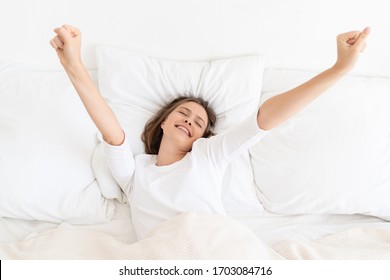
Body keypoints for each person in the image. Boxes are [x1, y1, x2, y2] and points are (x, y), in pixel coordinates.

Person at [50, 25, 370, 240]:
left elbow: (264, 119)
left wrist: (338, 69)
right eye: (183, 113)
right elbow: (111, 132)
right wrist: (73, 65)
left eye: (198, 123)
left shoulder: (207, 156)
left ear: (202, 137)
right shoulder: (136, 172)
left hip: (212, 251)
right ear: (163, 121)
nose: (189, 121)